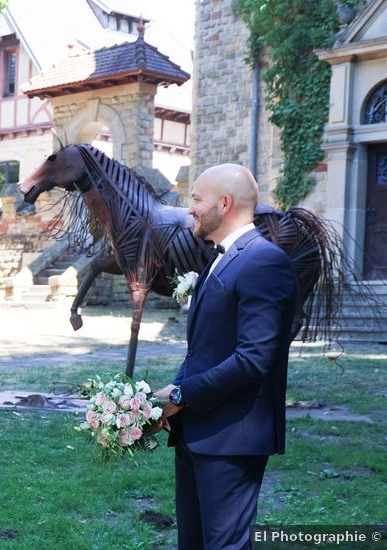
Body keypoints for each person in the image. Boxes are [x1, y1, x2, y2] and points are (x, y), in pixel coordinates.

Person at [154, 164, 297, 549]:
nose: (191, 210)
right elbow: (206, 348)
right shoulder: (219, 258)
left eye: (197, 200)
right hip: (196, 431)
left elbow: (253, 359)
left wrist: (184, 396)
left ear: (225, 202)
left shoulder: (264, 261)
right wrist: (170, 394)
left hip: (233, 437)